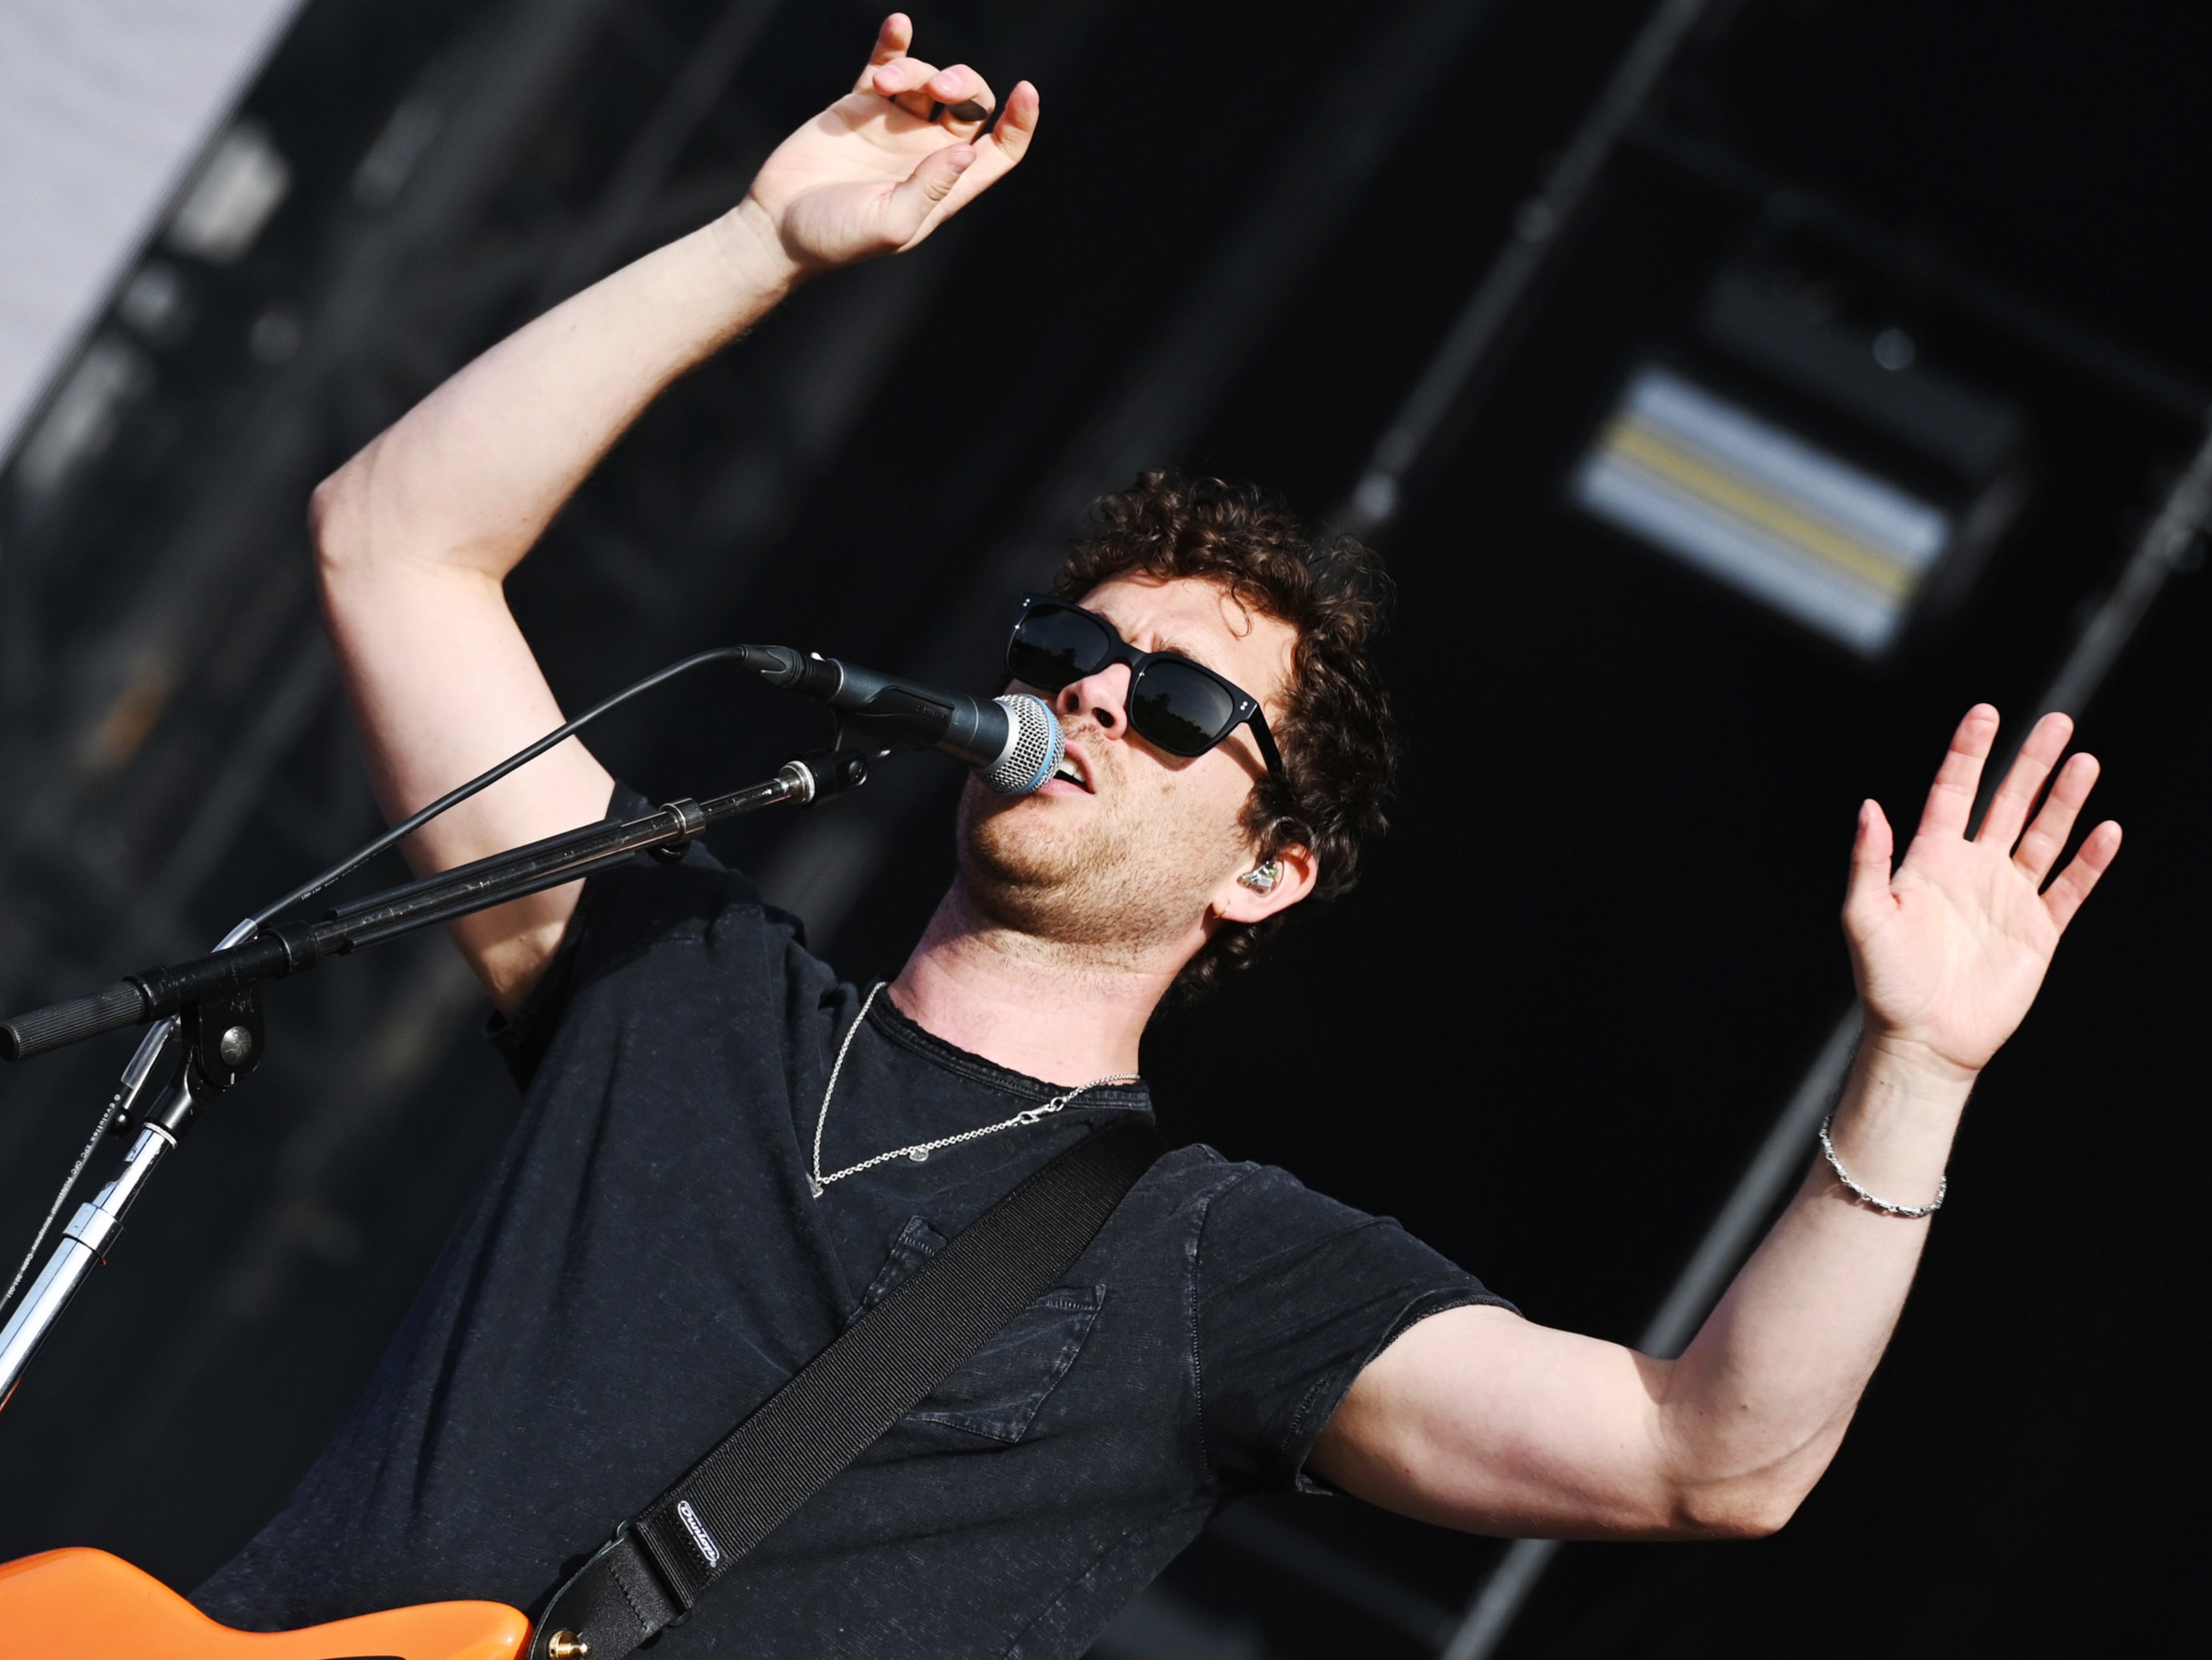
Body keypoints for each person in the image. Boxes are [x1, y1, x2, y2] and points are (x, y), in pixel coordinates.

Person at [195, 14, 2122, 1655]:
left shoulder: (1214, 1265)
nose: (1104, 694)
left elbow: (1709, 1456)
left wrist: (1916, 1065)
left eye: (1189, 702)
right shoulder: (675, 980)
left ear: (1265, 865)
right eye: (1072, 648)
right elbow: (394, 541)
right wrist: (755, 245)